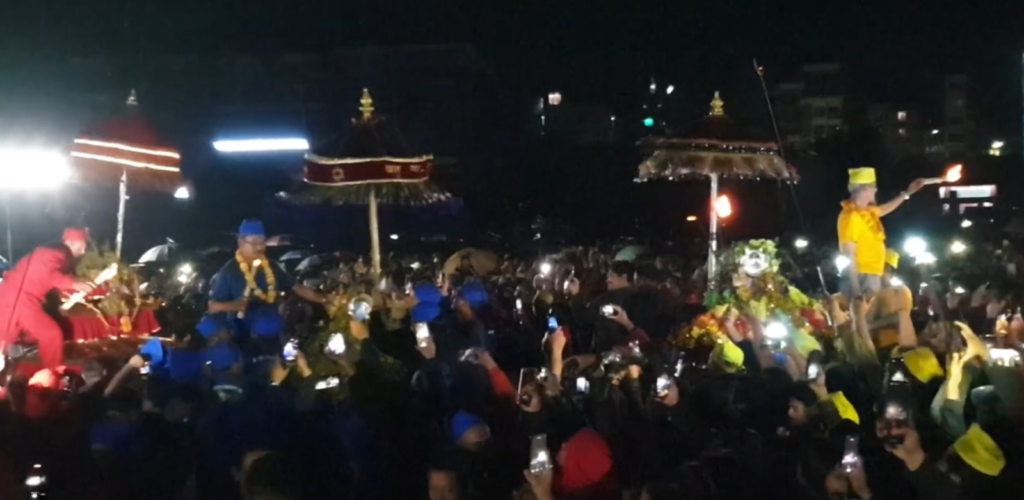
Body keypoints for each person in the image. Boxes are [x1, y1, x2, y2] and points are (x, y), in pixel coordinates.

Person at [202, 219, 326, 353]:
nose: (259, 247)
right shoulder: (228, 272)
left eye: (262, 242)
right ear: (240, 242)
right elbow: (212, 305)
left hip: (273, 332)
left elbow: (298, 287)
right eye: (254, 242)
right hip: (241, 336)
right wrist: (233, 305)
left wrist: (326, 299)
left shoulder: (272, 267)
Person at [0, 228, 95, 375]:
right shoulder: (56, 253)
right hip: (20, 299)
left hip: (15, 296)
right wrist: (72, 283)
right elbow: (49, 275)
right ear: (69, 242)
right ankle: (50, 374)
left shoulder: (54, 253)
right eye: (81, 245)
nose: (83, 251)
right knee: (51, 334)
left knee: (9, 337)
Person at [837, 167, 924, 299]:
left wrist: (908, 193)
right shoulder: (850, 216)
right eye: (874, 186)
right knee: (865, 318)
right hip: (862, 276)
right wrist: (856, 293)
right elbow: (850, 256)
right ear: (864, 188)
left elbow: (884, 209)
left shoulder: (867, 212)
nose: (876, 190)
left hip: (872, 274)